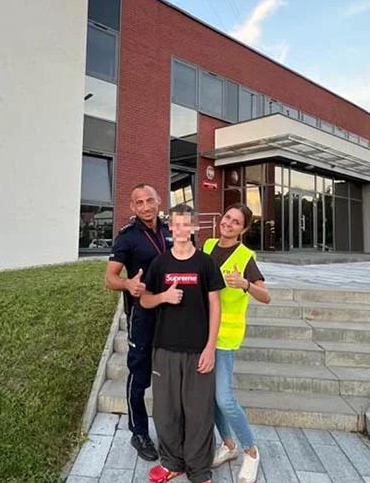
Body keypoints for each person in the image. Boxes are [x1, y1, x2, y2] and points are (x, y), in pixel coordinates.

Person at [141, 205, 224, 483]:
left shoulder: (205, 263)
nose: (179, 230)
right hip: (165, 348)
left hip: (197, 350)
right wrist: (163, 297)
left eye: (185, 224)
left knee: (199, 412)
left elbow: (215, 304)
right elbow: (145, 300)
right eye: (175, 225)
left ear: (194, 228)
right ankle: (171, 463)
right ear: (170, 229)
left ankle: (199, 470)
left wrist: (210, 346)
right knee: (166, 411)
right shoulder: (161, 264)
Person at [104, 183, 172, 461]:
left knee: (170, 374)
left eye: (150, 200)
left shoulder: (171, 230)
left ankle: (172, 430)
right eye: (139, 202)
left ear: (159, 201)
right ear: (132, 207)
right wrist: (127, 284)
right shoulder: (127, 237)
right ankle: (139, 432)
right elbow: (109, 278)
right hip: (141, 315)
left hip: (172, 312)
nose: (146, 206)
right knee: (139, 375)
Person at [206, 203, 270, 483]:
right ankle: (228, 446)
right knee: (210, 399)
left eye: (235, 222)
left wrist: (245, 284)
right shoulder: (207, 246)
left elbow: (266, 296)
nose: (228, 223)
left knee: (224, 398)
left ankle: (251, 450)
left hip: (226, 337)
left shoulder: (245, 257)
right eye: (227, 218)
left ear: (243, 229)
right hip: (200, 333)